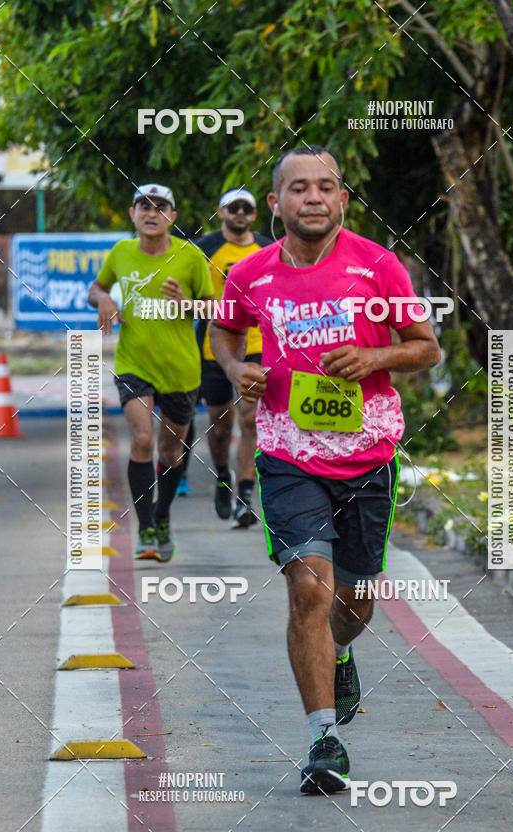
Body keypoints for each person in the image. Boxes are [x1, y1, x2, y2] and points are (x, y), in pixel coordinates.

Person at [209, 146, 441, 794]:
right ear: (277, 202)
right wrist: (235, 369)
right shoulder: (250, 274)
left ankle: (340, 651)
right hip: (286, 452)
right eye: (298, 188)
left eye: (326, 187)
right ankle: (323, 740)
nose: (313, 197)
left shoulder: (376, 265)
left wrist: (374, 359)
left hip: (366, 454)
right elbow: (225, 331)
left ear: (342, 200)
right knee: (309, 588)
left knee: (356, 600)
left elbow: (426, 347)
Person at [88, 183, 215, 561]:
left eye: (160, 207)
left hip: (180, 369)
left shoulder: (190, 257)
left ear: (172, 217)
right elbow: (95, 287)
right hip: (134, 363)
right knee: (142, 439)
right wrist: (106, 298)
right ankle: (144, 528)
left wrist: (186, 302)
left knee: (171, 450)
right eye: (143, 205)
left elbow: (212, 310)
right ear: (132, 214)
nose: (151, 212)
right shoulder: (122, 252)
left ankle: (162, 516)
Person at [178, 188, 272, 527]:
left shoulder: (269, 248)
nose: (241, 213)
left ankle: (246, 494)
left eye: (247, 208)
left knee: (250, 418)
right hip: (215, 345)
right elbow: (188, 297)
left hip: (261, 342)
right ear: (221, 212)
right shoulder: (205, 250)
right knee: (220, 426)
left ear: (255, 214)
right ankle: (222, 475)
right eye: (234, 208)